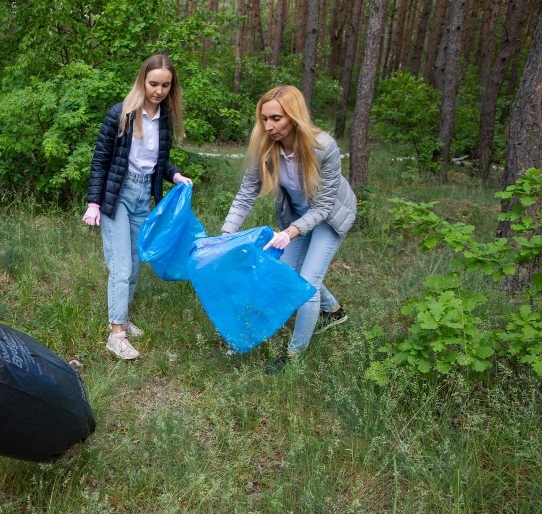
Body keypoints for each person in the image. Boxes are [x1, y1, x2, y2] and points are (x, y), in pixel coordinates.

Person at [221, 85, 356, 371]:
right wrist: (225, 234)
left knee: (306, 284)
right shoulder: (265, 148)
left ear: (294, 117)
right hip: (296, 216)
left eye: (276, 119)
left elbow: (322, 206)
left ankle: (294, 356)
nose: (268, 126)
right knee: (284, 272)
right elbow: (246, 194)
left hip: (330, 216)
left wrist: (291, 232)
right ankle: (333, 311)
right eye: (264, 119)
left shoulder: (323, 147)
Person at [82, 54, 192, 360]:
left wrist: (174, 174)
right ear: (142, 80)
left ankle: (124, 317)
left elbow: (158, 161)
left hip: (144, 196)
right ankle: (115, 334)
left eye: (165, 85)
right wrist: (94, 202)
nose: (158, 90)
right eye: (153, 83)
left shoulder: (165, 118)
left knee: (134, 262)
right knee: (121, 267)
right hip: (116, 196)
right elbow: (101, 160)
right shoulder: (122, 114)